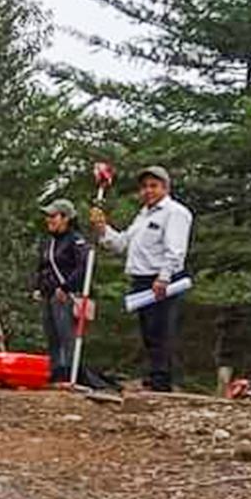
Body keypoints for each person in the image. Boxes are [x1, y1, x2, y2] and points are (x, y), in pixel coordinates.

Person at [89, 167, 192, 391]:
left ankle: (161, 381)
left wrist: (164, 277)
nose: (148, 191)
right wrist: (103, 228)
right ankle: (155, 376)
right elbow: (122, 243)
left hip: (163, 278)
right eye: (144, 187)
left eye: (154, 186)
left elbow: (175, 250)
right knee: (148, 331)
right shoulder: (143, 215)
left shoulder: (175, 212)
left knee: (161, 331)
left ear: (165, 187)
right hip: (141, 279)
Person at [30, 199, 89, 387]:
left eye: (53, 216)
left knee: (66, 334)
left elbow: (83, 267)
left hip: (65, 295)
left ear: (66, 218)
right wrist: (37, 287)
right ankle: (56, 372)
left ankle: (70, 373)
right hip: (48, 294)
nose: (49, 220)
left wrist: (67, 287)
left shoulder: (75, 240)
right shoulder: (48, 242)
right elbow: (42, 267)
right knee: (52, 335)